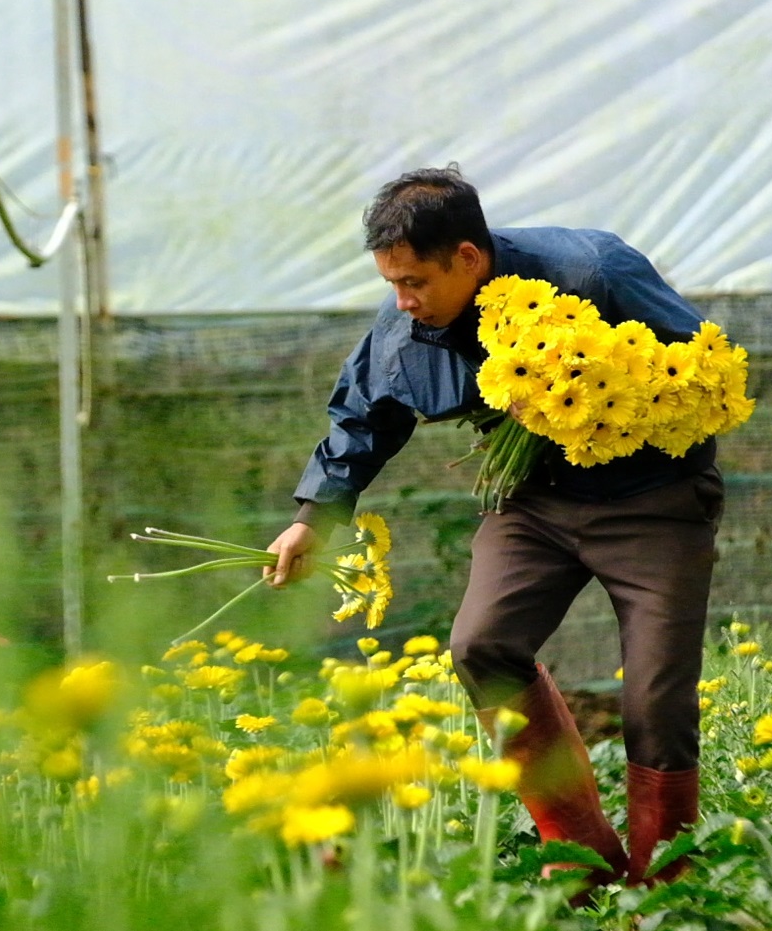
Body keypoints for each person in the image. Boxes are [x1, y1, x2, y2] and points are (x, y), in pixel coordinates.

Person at [265, 165, 724, 893]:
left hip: (651, 502)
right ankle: (580, 856)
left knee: (655, 701)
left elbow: (703, 367)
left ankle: (668, 881)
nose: (401, 299)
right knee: (480, 644)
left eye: (413, 281)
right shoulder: (407, 327)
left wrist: (625, 401)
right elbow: (364, 414)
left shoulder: (594, 270)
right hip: (533, 502)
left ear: (468, 260)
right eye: (391, 282)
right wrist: (313, 517)